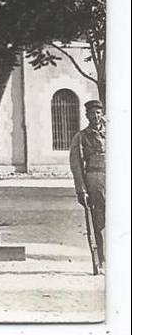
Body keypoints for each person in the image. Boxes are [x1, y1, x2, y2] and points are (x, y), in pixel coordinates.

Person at [69, 99, 105, 268]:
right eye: (92, 113)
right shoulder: (81, 137)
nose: (95, 116)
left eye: (98, 112)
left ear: (102, 114)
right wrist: (81, 190)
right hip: (94, 181)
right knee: (97, 221)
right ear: (86, 115)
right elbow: (76, 166)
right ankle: (100, 259)